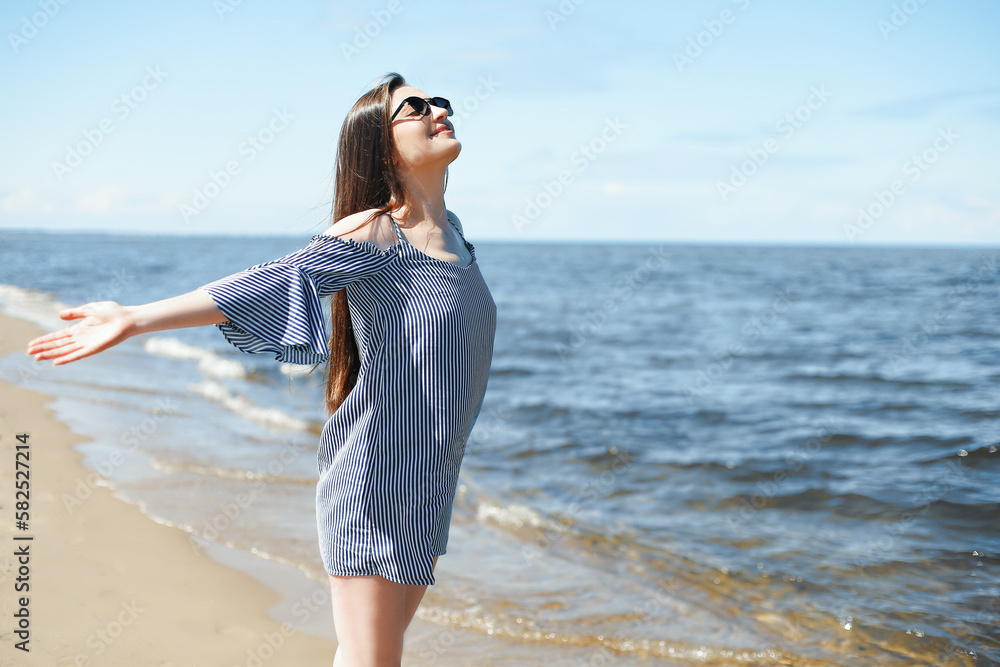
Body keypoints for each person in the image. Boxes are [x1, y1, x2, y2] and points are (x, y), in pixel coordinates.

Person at [24, 71, 498, 666]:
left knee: (365, 657)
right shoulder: (377, 230)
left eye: (441, 102)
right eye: (416, 108)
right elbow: (269, 281)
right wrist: (137, 316)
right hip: (375, 482)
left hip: (431, 481)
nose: (438, 111)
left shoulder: (455, 235)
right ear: (380, 145)